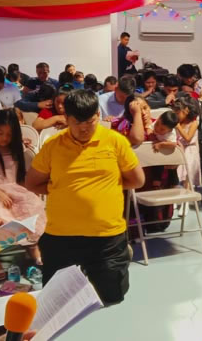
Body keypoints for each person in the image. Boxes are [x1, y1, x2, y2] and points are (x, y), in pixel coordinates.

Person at [22, 89, 145, 304]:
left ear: (98, 115)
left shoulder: (115, 141)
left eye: (90, 121)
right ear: (66, 118)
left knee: (111, 297)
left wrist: (108, 185)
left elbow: (137, 180)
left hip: (107, 236)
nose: (84, 128)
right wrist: (64, 189)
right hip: (62, 236)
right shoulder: (53, 145)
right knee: (59, 301)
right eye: (77, 122)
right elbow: (32, 183)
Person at [0, 109, 46, 267]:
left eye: (9, 135)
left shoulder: (16, 148)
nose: (4, 138)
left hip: (13, 189)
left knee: (32, 208)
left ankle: (33, 247)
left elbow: (19, 176)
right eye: (0, 133)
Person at [172, 95, 202, 189]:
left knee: (188, 174)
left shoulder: (193, 123)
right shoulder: (179, 123)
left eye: (178, 113)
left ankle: (189, 191)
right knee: (179, 173)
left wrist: (178, 127)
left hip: (189, 151)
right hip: (180, 149)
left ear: (186, 111)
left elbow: (188, 138)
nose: (176, 115)